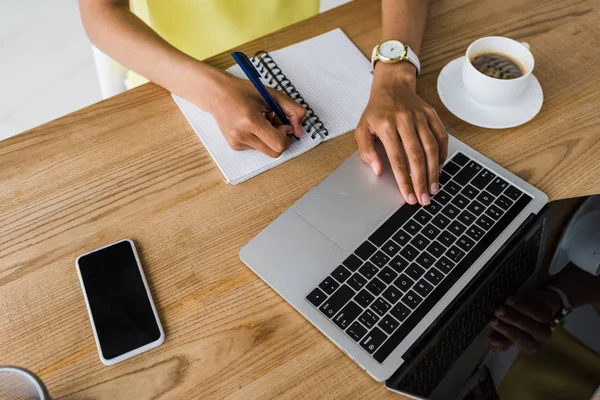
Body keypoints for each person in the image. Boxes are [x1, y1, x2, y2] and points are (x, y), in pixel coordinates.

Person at [78, 0, 448, 206]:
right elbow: (101, 13)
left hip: (300, 42)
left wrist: (396, 71)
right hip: (169, 73)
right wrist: (215, 91)